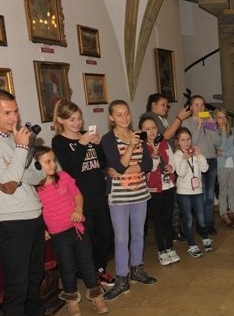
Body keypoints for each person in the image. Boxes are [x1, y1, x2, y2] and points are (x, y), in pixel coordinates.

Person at [0, 89, 71, 316]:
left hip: (32, 216)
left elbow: (35, 175)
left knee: (35, 277)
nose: (14, 117)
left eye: (15, 111)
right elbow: (7, 184)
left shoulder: (10, 140)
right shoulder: (12, 143)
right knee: (16, 289)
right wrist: (20, 153)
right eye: (7, 112)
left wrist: (24, 157)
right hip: (10, 223)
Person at [34, 146, 109, 316]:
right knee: (67, 268)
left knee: (87, 263)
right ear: (36, 166)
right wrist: (43, 229)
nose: (53, 165)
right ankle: (72, 301)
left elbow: (77, 195)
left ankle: (96, 296)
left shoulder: (65, 178)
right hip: (58, 234)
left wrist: (79, 208)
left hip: (78, 230)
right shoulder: (35, 190)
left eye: (54, 160)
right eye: (47, 162)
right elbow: (36, 211)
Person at [51, 100, 115, 290]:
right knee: (89, 239)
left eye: (79, 118)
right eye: (71, 120)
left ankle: (100, 267)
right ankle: (92, 272)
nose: (77, 123)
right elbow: (72, 170)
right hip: (80, 196)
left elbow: (102, 163)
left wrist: (97, 145)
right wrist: (81, 144)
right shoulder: (59, 141)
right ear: (61, 120)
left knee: (105, 236)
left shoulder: (86, 135)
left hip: (99, 192)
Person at [101, 100, 156, 301]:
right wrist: (131, 149)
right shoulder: (108, 140)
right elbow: (117, 164)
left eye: (127, 113)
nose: (124, 118)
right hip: (119, 196)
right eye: (119, 114)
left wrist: (127, 168)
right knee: (121, 238)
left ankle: (137, 269)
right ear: (111, 117)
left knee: (139, 233)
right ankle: (122, 278)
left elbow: (147, 164)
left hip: (140, 192)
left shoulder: (139, 135)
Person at [140, 117, 180, 266]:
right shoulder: (142, 146)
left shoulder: (164, 142)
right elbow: (150, 166)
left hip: (168, 186)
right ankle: (162, 250)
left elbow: (172, 160)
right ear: (142, 131)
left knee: (168, 218)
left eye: (154, 128)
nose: (151, 131)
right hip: (154, 188)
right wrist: (155, 154)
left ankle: (170, 247)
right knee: (158, 220)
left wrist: (172, 168)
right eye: (147, 129)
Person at [181, 95, 221, 235]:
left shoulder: (209, 123)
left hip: (211, 159)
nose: (200, 108)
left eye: (202, 105)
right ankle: (201, 224)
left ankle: (208, 223)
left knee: (210, 195)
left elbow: (217, 142)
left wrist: (212, 125)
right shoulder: (187, 123)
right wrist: (198, 126)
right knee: (201, 194)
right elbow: (191, 143)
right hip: (197, 161)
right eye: (197, 105)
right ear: (191, 107)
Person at [173, 127, 211, 257]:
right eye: (183, 140)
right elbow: (180, 173)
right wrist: (185, 158)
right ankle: (191, 244)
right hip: (184, 193)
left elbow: (205, 169)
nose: (186, 142)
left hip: (197, 191)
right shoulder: (177, 155)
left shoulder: (196, 152)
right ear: (177, 142)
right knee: (188, 220)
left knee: (201, 218)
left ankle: (205, 237)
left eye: (188, 139)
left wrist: (199, 155)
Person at [215, 106, 234, 228]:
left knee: (232, 190)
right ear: (216, 119)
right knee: (223, 190)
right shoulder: (215, 132)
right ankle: (224, 212)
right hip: (222, 166)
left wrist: (223, 153)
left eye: (224, 117)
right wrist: (223, 133)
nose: (222, 120)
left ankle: (233, 210)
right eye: (219, 117)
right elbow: (219, 146)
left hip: (233, 165)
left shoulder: (233, 131)